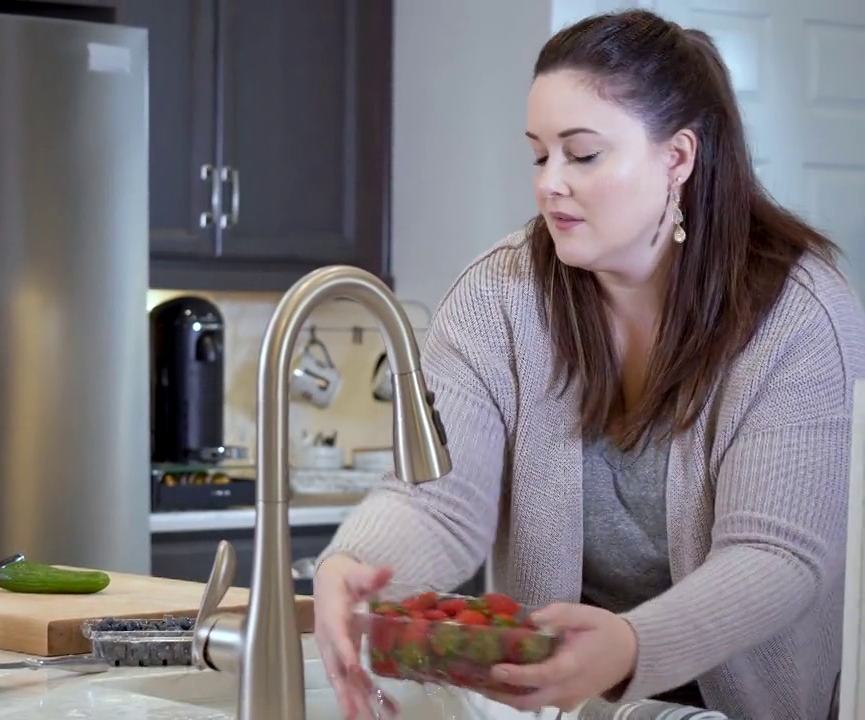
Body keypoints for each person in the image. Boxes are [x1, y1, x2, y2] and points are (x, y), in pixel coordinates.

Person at [314, 9, 865, 720]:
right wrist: (353, 565)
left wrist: (634, 645)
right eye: (540, 155)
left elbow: (777, 557)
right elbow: (437, 498)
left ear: (678, 158)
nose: (549, 183)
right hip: (568, 710)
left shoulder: (798, 311)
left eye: (583, 154)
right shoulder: (498, 295)